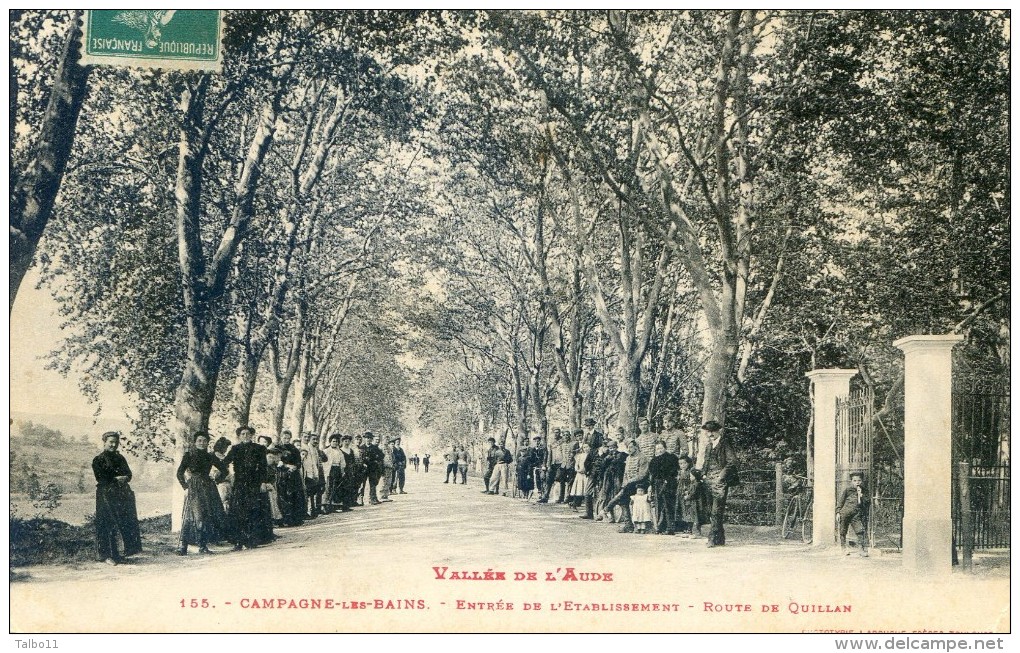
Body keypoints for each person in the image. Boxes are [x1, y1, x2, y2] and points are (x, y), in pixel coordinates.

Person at [92, 431, 142, 565]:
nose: (113, 445)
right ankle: (105, 555)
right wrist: (116, 479)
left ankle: (118, 553)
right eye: (111, 442)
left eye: (116, 442)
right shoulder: (98, 460)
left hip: (121, 494)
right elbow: (101, 478)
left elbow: (129, 474)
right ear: (104, 443)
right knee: (107, 523)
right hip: (105, 495)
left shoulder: (120, 458)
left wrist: (125, 477)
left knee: (121, 522)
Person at [176, 431, 228, 555]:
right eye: (199, 440)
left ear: (207, 443)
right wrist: (185, 487)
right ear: (195, 442)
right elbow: (179, 473)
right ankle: (183, 546)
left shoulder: (210, 456)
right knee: (192, 516)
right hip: (193, 486)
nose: (202, 443)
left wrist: (217, 480)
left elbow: (224, 470)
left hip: (208, 487)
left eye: (204, 441)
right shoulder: (188, 455)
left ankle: (202, 546)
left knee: (206, 516)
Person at [220, 426, 269, 551]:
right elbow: (225, 462)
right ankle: (238, 541)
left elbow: (263, 467)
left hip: (254, 483)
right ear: (239, 436)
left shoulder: (259, 448)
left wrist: (263, 482)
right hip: (240, 483)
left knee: (253, 510)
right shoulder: (235, 449)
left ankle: (252, 540)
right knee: (238, 512)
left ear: (252, 435)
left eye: (248, 434)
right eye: (243, 434)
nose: (246, 436)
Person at [698, 420, 739, 547]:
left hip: (720, 482)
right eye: (708, 431)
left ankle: (711, 538)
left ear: (718, 431)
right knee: (712, 510)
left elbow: (732, 462)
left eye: (713, 431)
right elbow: (706, 462)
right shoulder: (709, 446)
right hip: (708, 481)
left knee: (716, 511)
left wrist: (721, 476)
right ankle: (720, 538)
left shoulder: (725, 444)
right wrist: (703, 475)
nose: (710, 434)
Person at [601, 438, 650, 533]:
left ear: (636, 447)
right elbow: (625, 474)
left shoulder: (642, 457)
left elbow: (642, 475)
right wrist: (624, 484)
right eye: (628, 447)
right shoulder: (628, 458)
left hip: (640, 485)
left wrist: (629, 482)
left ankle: (606, 509)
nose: (629, 449)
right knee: (623, 500)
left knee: (620, 497)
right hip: (629, 485)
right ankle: (628, 524)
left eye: (631, 447)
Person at [648, 440, 679, 535]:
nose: (659, 450)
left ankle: (670, 527)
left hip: (668, 483)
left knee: (668, 505)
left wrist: (667, 480)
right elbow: (652, 474)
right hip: (657, 484)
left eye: (661, 448)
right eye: (657, 448)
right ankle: (660, 526)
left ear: (665, 448)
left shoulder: (671, 457)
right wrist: (651, 485)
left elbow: (674, 471)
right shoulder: (653, 460)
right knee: (659, 505)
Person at [837, 472, 870, 557]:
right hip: (845, 513)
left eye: (859, 480)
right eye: (855, 480)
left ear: (861, 481)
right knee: (843, 531)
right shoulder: (848, 490)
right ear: (851, 481)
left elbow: (867, 503)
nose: (857, 482)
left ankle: (861, 550)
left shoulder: (864, 490)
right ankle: (843, 549)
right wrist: (838, 512)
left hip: (856, 514)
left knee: (860, 531)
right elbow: (841, 502)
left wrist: (861, 496)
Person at [278, 430, 305, 525]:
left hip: (293, 475)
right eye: (284, 438)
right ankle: (285, 518)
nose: (286, 440)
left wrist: (295, 466)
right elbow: (277, 461)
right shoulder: (277, 448)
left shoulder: (294, 449)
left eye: (288, 438)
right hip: (282, 474)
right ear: (281, 437)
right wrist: (286, 466)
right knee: (284, 495)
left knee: (295, 495)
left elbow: (299, 462)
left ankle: (295, 518)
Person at [675, 456, 705, 537]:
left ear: (688, 463)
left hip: (688, 494)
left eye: (684, 463)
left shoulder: (690, 472)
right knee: (683, 510)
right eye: (680, 464)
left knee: (691, 512)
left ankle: (692, 529)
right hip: (681, 493)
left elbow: (691, 484)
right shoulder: (679, 472)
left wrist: (687, 492)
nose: (683, 465)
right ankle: (686, 528)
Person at [302, 434, 326, 517]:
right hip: (308, 472)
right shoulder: (306, 448)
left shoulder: (316, 449)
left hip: (316, 471)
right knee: (309, 492)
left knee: (315, 491)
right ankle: (309, 510)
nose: (315, 441)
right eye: (313, 439)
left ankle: (315, 509)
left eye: (317, 439)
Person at [537, 429, 564, 504]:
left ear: (560, 433)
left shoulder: (563, 441)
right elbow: (548, 454)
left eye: (557, 433)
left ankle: (560, 497)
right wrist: (547, 464)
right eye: (555, 433)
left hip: (560, 463)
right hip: (552, 463)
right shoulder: (551, 442)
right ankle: (545, 497)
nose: (556, 434)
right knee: (548, 480)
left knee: (559, 479)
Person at [323, 434, 346, 514]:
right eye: (333, 441)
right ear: (330, 442)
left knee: (337, 486)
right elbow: (324, 462)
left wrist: (342, 471)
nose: (335, 443)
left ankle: (336, 504)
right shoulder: (326, 451)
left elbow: (342, 462)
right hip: (330, 469)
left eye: (336, 441)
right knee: (329, 486)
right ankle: (326, 505)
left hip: (337, 469)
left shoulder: (340, 451)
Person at [212, 436, 234, 514]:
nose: (225, 449)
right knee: (221, 502)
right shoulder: (214, 457)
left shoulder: (225, 457)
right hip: (220, 484)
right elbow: (215, 472)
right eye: (225, 447)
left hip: (228, 483)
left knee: (227, 502)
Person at [363, 432, 385, 504]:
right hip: (364, 468)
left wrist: (376, 459)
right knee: (362, 484)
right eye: (367, 438)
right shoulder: (362, 447)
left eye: (370, 438)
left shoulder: (375, 447)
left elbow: (382, 455)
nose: (368, 440)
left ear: (371, 439)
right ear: (365, 439)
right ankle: (359, 499)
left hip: (372, 468)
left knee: (373, 483)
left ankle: (373, 498)